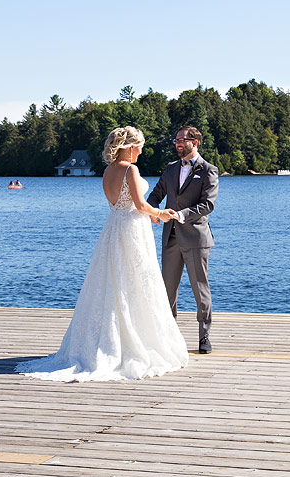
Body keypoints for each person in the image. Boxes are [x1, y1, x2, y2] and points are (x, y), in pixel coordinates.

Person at [16, 126, 189, 381]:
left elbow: (125, 204)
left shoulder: (108, 170)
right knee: (135, 283)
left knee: (111, 282)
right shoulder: (130, 169)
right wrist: (160, 214)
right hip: (131, 230)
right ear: (130, 146)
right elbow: (139, 204)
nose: (142, 150)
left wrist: (147, 213)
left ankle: (104, 342)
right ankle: (132, 344)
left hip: (114, 227)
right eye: (139, 145)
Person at [147, 125, 219, 354]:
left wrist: (182, 214)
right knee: (167, 291)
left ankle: (204, 337)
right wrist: (153, 211)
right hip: (171, 238)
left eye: (182, 140)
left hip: (196, 239)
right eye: (176, 140)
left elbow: (208, 205)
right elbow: (156, 194)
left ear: (194, 142)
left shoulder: (208, 170)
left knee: (200, 289)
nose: (178, 143)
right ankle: (168, 339)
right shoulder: (170, 169)